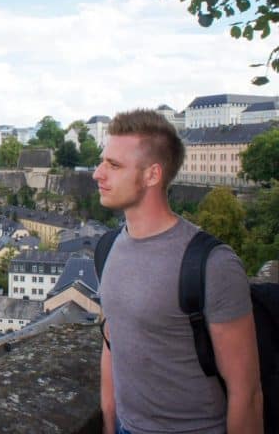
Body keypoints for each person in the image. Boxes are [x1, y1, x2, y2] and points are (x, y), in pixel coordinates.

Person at [92, 109, 262, 434]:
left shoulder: (212, 264)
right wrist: (109, 419)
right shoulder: (107, 248)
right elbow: (113, 340)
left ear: (152, 175)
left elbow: (247, 392)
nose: (98, 173)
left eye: (114, 165)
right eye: (104, 161)